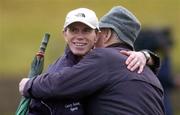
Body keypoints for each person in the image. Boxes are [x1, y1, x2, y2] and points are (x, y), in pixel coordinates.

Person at [19, 7, 163, 114]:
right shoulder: (151, 74)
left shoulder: (104, 57)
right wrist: (147, 56)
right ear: (65, 34)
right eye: (74, 30)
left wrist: (28, 85)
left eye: (93, 31)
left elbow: (62, 83)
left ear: (105, 35)